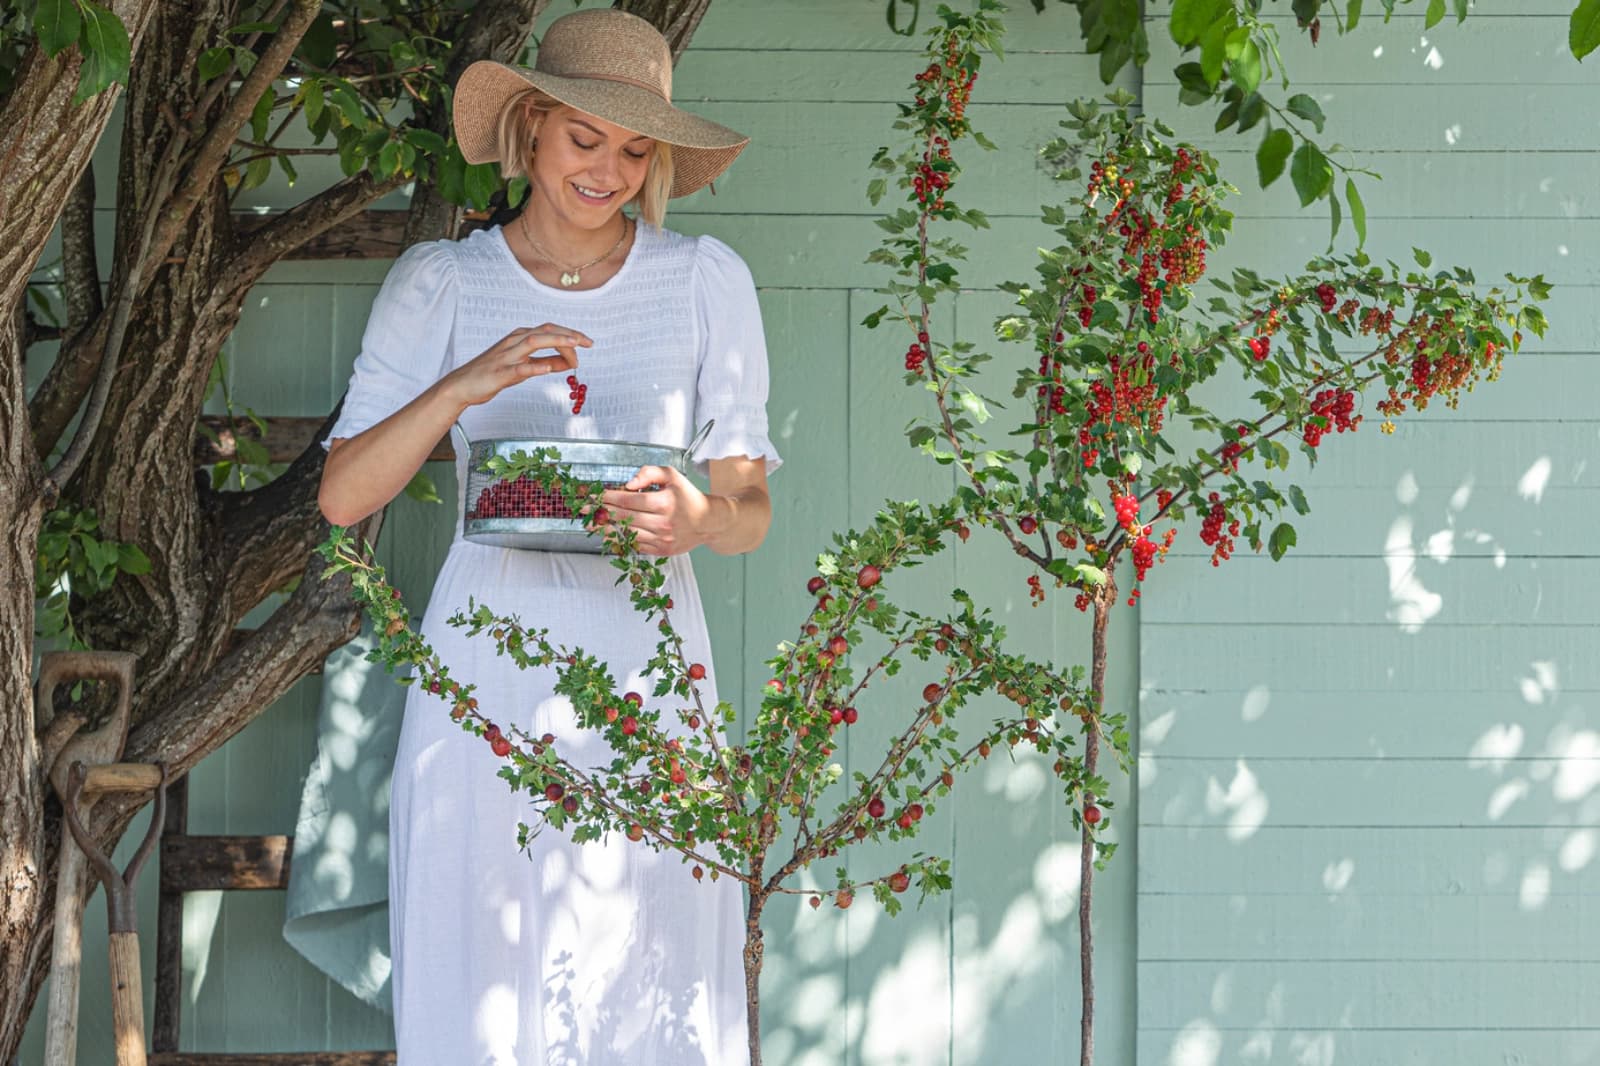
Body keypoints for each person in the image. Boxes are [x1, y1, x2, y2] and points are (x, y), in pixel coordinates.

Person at [316, 9, 781, 1063]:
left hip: (648, 663)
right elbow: (344, 495)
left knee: (648, 945)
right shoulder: (444, 281)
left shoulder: (703, 280)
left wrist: (703, 518)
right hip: (486, 659)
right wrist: (465, 383)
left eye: (635, 150)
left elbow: (749, 509)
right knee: (482, 935)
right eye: (585, 138)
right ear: (529, 128)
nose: (608, 172)